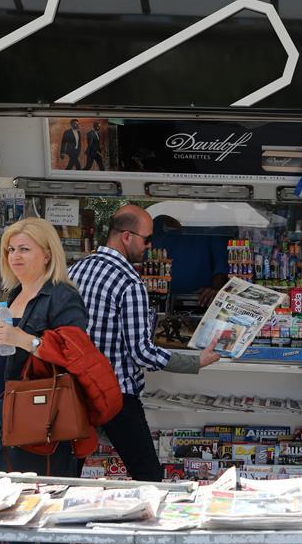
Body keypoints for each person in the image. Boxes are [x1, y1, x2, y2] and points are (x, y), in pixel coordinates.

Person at [68, 205, 220, 485]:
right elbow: (142, 353)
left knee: (68, 474)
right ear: (126, 236)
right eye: (147, 239)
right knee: (148, 475)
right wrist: (196, 361)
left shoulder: (75, 270)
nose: (151, 246)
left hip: (76, 390)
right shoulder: (129, 282)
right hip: (115, 393)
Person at [0, 218, 89, 544]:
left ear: (47, 253)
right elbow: (3, 344)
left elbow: (74, 352)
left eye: (24, 249)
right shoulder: (13, 293)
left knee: (50, 521)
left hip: (45, 419)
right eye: (10, 249)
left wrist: (24, 339)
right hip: (8, 415)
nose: (15, 256)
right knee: (15, 519)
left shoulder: (62, 296)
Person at [151, 214, 229, 307]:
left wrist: (216, 289)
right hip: (159, 297)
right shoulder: (157, 219)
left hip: (198, 300)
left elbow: (221, 263)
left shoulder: (211, 220)